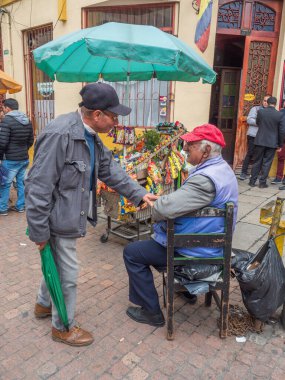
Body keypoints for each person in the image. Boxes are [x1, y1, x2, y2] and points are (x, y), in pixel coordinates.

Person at [25, 82, 157, 347]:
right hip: (56, 219)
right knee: (68, 273)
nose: (116, 122)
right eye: (114, 116)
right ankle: (62, 327)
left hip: (69, 215)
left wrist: (139, 193)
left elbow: (110, 170)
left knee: (58, 265)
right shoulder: (60, 134)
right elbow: (37, 187)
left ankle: (42, 304)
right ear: (97, 114)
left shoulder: (91, 136)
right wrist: (39, 232)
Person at [123, 124, 238, 327]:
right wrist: (166, 201)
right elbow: (186, 201)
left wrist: (158, 205)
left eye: (190, 145)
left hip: (195, 251)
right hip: (207, 244)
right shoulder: (222, 168)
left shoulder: (205, 180)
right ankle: (188, 292)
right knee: (153, 240)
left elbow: (164, 210)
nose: (184, 149)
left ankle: (152, 313)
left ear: (206, 150)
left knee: (132, 253)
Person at [0, 98, 34, 215]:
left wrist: (1, 156)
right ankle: (20, 207)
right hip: (24, 158)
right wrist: (23, 150)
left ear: (8, 108)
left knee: (5, 184)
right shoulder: (27, 120)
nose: (3, 110)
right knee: (21, 183)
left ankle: (2, 208)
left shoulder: (7, 121)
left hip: (10, 159)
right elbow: (31, 140)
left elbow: (2, 142)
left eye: (3, 108)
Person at [249, 97, 285, 188]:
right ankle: (262, 183)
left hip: (260, 140)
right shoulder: (279, 114)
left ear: (267, 103)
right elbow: (281, 131)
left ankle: (252, 181)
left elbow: (258, 122)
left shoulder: (261, 112)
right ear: (275, 104)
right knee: (267, 162)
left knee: (257, 161)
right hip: (272, 142)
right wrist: (280, 144)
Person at [239, 95, 270, 180]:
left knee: (260, 155)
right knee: (250, 153)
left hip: (264, 136)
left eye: (267, 101)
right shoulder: (255, 109)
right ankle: (243, 172)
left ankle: (255, 174)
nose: (265, 102)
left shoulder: (271, 111)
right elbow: (249, 120)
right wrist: (260, 122)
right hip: (253, 135)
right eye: (264, 100)